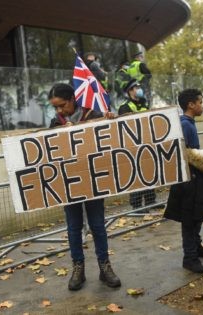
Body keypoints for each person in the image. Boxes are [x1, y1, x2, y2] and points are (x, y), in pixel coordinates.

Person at [48, 83, 121, 291]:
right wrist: (61, 133)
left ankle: (104, 267)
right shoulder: (55, 122)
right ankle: (78, 268)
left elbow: (112, 140)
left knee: (98, 225)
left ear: (72, 99)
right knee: (73, 228)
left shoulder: (95, 115)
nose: (59, 111)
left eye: (62, 105)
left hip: (93, 180)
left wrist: (111, 122)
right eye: (55, 108)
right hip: (70, 183)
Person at [164, 89, 203, 274]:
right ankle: (189, 258)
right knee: (190, 219)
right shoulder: (186, 125)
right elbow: (188, 154)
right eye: (200, 102)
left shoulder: (186, 123)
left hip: (193, 179)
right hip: (190, 181)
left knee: (196, 216)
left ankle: (196, 248)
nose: (202, 105)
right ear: (191, 105)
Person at [118, 79, 157, 211]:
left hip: (146, 143)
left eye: (139, 86)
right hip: (133, 146)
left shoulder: (143, 103)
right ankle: (137, 205)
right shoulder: (125, 107)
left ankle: (151, 201)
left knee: (149, 172)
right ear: (130, 91)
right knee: (136, 174)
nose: (139, 89)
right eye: (136, 87)